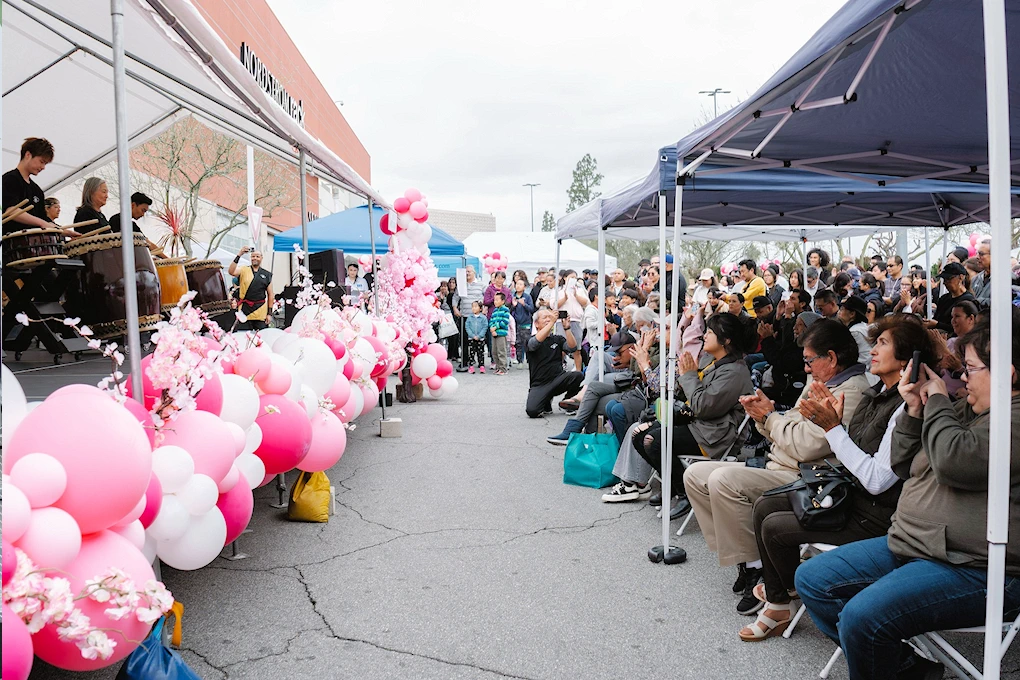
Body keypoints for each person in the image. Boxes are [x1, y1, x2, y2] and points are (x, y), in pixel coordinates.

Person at [795, 311, 1020, 680]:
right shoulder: (966, 407)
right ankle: (907, 669)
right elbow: (900, 462)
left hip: (976, 567)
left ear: (1006, 375)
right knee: (812, 580)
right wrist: (915, 409)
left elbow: (953, 460)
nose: (962, 378)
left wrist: (935, 402)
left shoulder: (1012, 419)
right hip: (915, 544)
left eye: (972, 369)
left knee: (862, 617)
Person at [739, 314, 938, 641]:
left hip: (876, 517)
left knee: (775, 527)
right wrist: (829, 424)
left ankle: (783, 599)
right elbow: (850, 452)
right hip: (853, 498)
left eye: (883, 344)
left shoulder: (907, 407)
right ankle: (779, 602)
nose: (872, 350)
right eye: (874, 343)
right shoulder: (879, 394)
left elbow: (876, 480)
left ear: (906, 358)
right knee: (765, 505)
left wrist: (831, 428)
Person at [685, 319, 870, 615]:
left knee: (723, 479)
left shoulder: (852, 391)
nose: (806, 368)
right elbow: (790, 431)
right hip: (781, 465)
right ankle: (748, 560)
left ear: (832, 358)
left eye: (809, 360)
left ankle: (759, 567)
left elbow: (806, 446)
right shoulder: (821, 383)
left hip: (807, 479)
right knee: (695, 475)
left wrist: (770, 418)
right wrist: (763, 416)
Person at [630, 313, 756, 512]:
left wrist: (689, 375)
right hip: (697, 423)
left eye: (710, 332)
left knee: (653, 441)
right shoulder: (711, 360)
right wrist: (685, 375)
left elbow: (702, 407)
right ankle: (673, 485)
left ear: (726, 340)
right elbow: (692, 395)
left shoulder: (735, 372)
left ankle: (685, 492)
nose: (704, 336)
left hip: (714, 434)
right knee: (638, 434)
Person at [525, 309, 584, 418]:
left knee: (578, 375)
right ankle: (546, 401)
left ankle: (567, 402)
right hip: (540, 384)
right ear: (536, 324)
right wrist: (552, 322)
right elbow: (534, 344)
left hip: (558, 379)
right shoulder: (531, 339)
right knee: (532, 411)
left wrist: (567, 328)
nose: (548, 319)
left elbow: (572, 348)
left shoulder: (557, 339)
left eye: (550, 316)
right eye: (545, 317)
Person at [2, 137, 58, 233]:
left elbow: (43, 219)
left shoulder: (37, 191)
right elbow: (11, 210)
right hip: (11, 243)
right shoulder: (10, 179)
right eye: (42, 161)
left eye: (45, 164)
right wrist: (42, 223)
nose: (43, 167)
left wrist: (62, 230)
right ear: (28, 155)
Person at [228, 246, 273, 330]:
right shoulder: (244, 270)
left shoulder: (267, 274)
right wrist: (239, 254)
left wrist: (269, 313)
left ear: (261, 258)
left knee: (261, 338)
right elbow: (231, 271)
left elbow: (270, 295)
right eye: (253, 256)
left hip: (260, 310)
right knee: (243, 336)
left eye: (257, 256)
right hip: (244, 309)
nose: (255, 258)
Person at [556, 270, 589, 372]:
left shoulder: (580, 290)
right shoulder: (559, 290)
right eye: (571, 277)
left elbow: (586, 303)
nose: (573, 280)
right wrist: (565, 297)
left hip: (577, 320)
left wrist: (576, 295)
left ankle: (578, 371)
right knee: (561, 348)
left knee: (577, 348)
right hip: (562, 320)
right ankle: (558, 370)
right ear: (565, 278)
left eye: (575, 277)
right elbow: (554, 305)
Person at [932, 261, 976, 335]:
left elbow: (964, 327)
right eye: (944, 279)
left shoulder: (968, 300)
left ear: (961, 277)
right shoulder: (943, 298)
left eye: (949, 279)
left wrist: (937, 324)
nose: (945, 282)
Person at [459, 265, 486, 365]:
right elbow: (455, 298)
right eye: (466, 272)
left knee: (478, 340)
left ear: (474, 272)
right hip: (465, 316)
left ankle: (480, 361)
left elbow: (486, 297)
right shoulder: (462, 285)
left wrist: (484, 307)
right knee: (465, 340)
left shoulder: (481, 284)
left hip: (478, 317)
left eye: (469, 271)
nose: (467, 273)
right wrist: (454, 308)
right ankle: (465, 360)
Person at [838, 295, 873, 367]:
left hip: (863, 370)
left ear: (852, 314)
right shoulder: (862, 326)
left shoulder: (854, 332)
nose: (839, 312)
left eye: (842, 309)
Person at [510, 279, 534, 365]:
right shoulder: (513, 296)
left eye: (520, 284)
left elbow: (532, 309)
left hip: (526, 323)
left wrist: (524, 304)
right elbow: (509, 310)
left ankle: (529, 360)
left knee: (527, 342)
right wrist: (513, 305)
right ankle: (519, 360)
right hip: (516, 323)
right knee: (518, 342)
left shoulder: (527, 297)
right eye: (517, 284)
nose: (518, 286)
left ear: (524, 287)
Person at [489, 293, 511, 375]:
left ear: (503, 301)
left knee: (501, 351)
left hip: (501, 333)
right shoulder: (494, 311)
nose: (495, 301)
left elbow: (505, 321)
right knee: (494, 351)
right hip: (494, 333)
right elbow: (491, 320)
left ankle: (503, 368)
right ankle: (498, 367)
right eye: (494, 300)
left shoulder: (506, 310)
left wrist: (495, 327)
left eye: (497, 300)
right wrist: (492, 329)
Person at [465, 301, 488, 374]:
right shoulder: (469, 317)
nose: (474, 308)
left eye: (476, 306)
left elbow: (485, 327)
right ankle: (471, 366)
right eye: (473, 307)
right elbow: (467, 327)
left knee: (481, 352)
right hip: (471, 338)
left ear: (480, 308)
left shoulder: (483, 318)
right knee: (471, 352)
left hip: (480, 338)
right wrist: (472, 335)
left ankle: (481, 366)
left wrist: (479, 336)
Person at [971, 237, 992, 305]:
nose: (977, 257)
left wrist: (977, 301)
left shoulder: (1007, 279)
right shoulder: (975, 279)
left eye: (981, 254)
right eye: (977, 253)